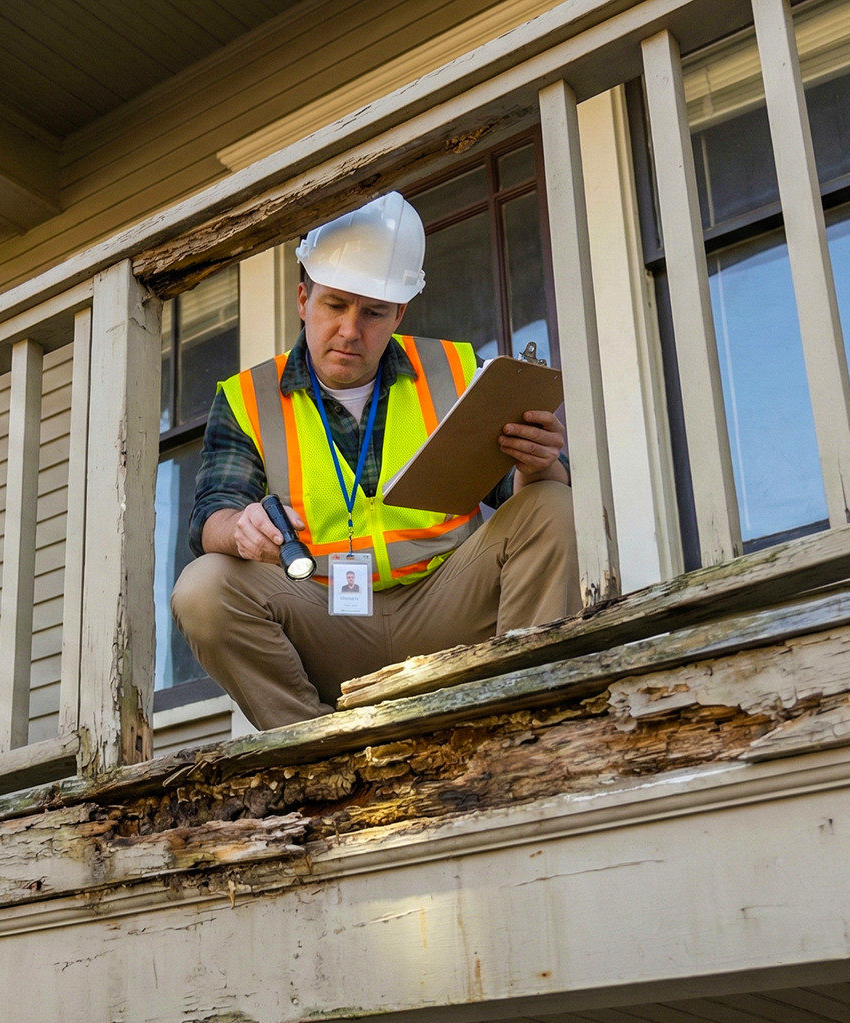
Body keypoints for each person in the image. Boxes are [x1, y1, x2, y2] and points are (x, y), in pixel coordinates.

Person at [171, 191, 578, 730]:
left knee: (553, 501)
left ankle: (525, 710)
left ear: (399, 313)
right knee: (203, 586)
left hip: (447, 602)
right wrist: (240, 529)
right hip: (325, 614)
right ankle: (310, 744)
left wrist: (539, 461)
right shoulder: (249, 397)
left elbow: (526, 508)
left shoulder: (453, 371)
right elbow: (210, 517)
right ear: (302, 299)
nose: (350, 330)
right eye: (334, 305)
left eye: (373, 312)